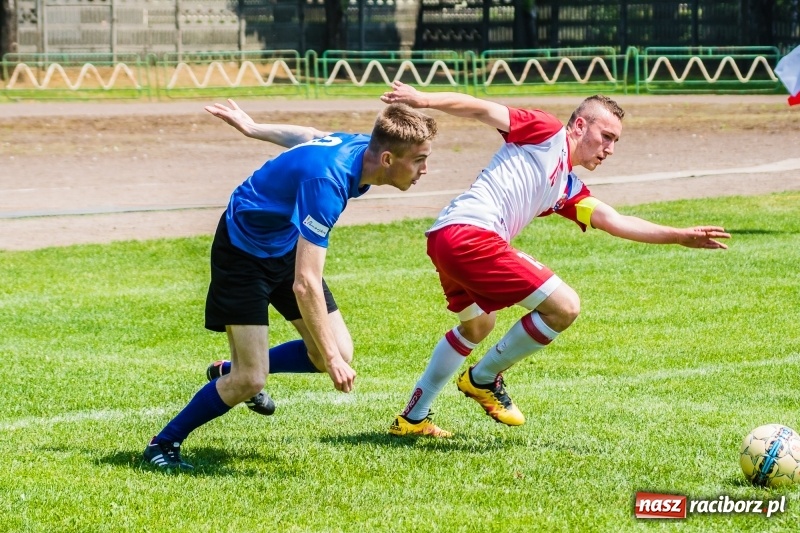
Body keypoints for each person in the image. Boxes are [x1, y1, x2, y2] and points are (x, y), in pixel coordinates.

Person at [380, 81, 730, 438]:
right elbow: (479, 108)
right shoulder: (545, 132)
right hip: (472, 234)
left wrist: (680, 235)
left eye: (615, 142)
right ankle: (482, 378)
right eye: (606, 136)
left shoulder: (567, 186)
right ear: (579, 126)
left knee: (477, 327)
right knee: (565, 307)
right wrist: (423, 100)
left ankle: (413, 418)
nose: (609, 149)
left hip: (444, 237)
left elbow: (615, 221)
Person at [143, 99, 438, 470]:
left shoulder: (363, 147)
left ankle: (226, 370)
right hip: (242, 251)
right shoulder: (327, 184)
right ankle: (163, 444)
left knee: (339, 349)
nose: (425, 169)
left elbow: (310, 136)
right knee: (251, 379)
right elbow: (305, 284)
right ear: (388, 161)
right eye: (419, 160)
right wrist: (328, 359)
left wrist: (253, 128)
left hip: (280, 245)